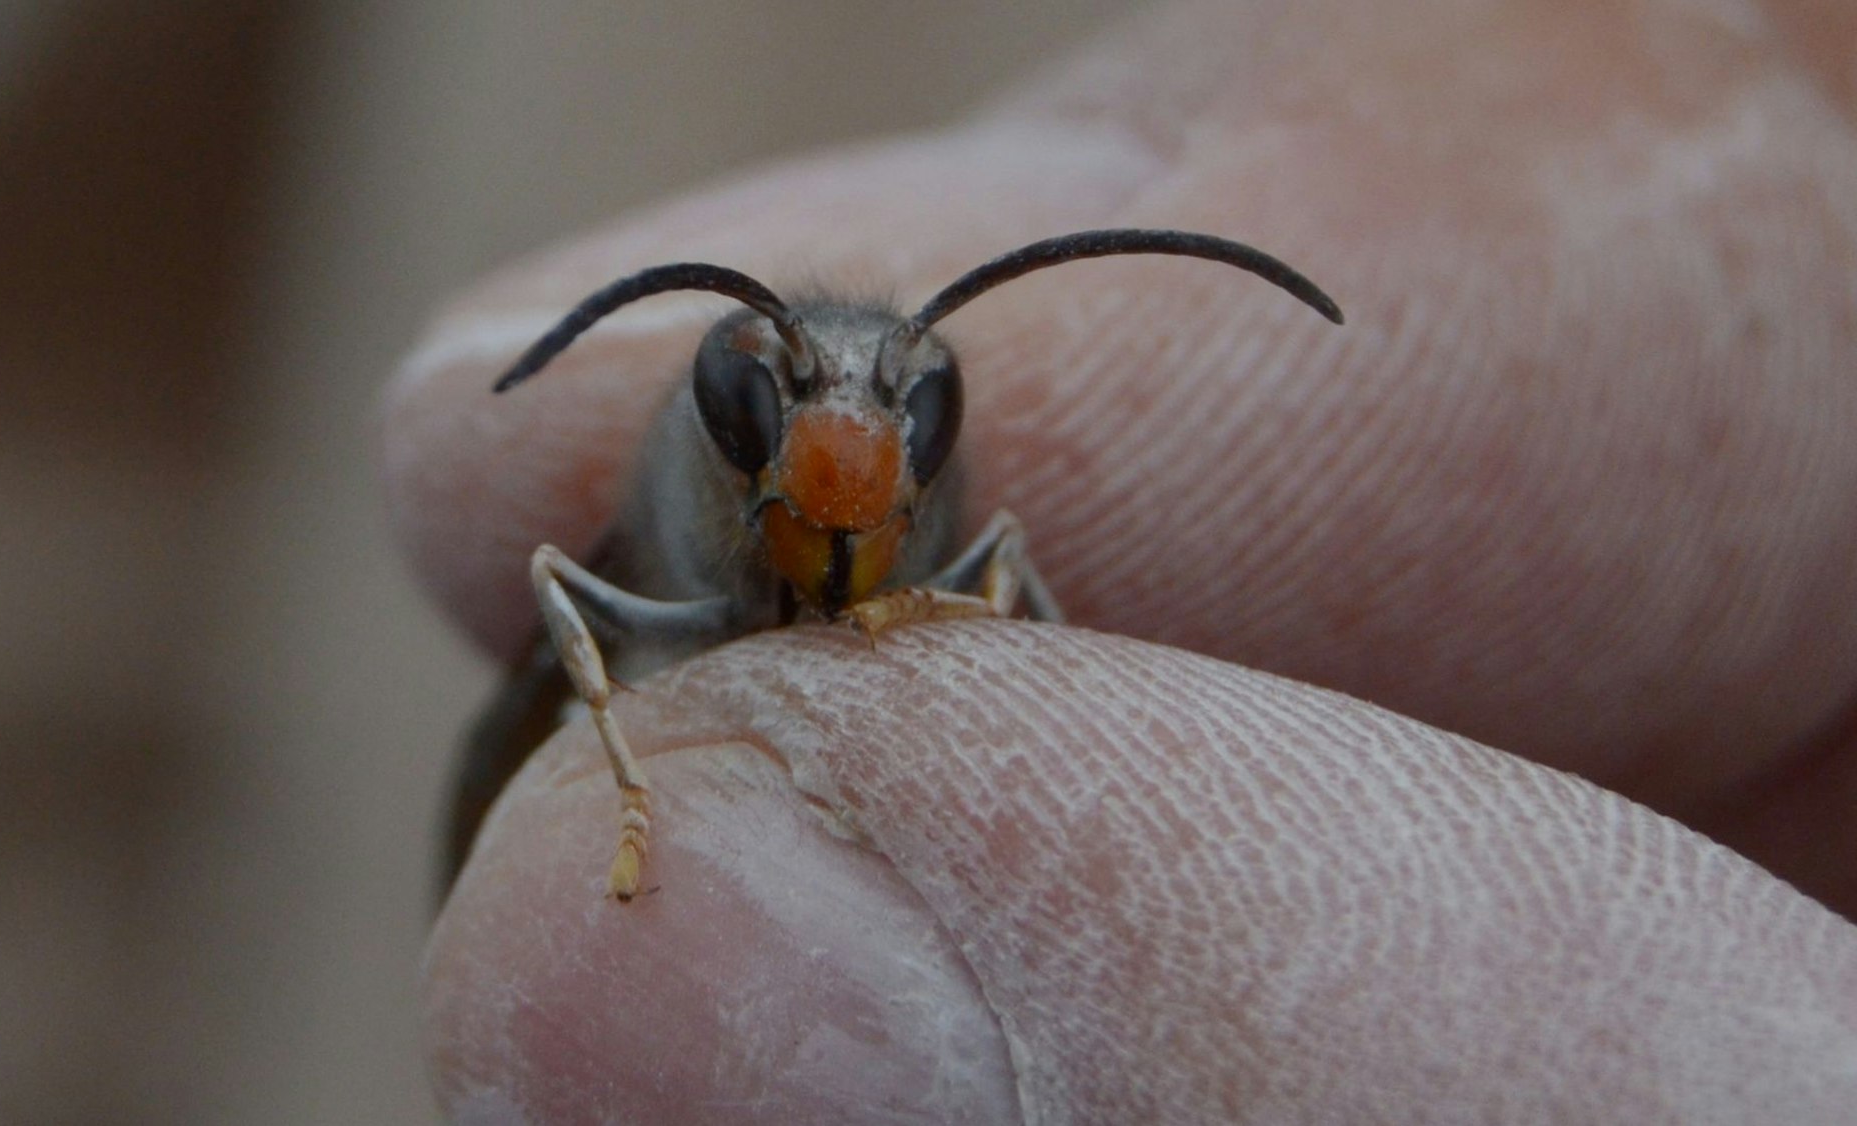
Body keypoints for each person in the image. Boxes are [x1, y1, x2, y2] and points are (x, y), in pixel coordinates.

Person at [387, 2, 1857, 1120]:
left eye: (905, 414)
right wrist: (635, 795)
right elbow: (563, 587)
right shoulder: (666, 517)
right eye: (774, 410)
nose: (844, 455)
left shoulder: (964, 519)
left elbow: (1001, 574)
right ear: (732, 412)